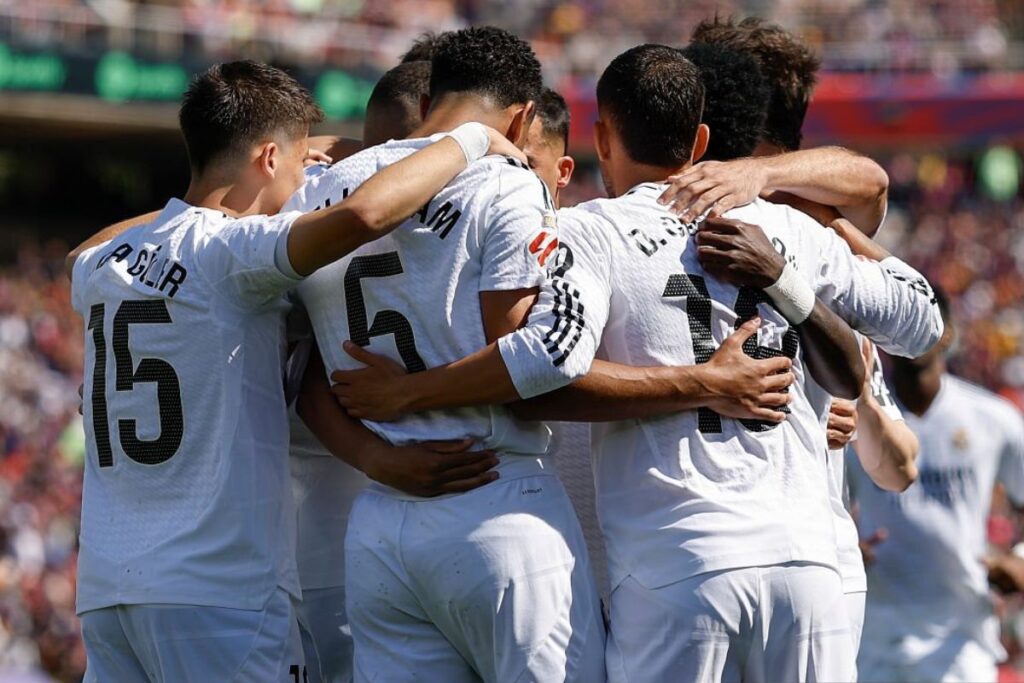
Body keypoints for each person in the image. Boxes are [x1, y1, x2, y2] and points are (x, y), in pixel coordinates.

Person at [329, 44, 943, 683]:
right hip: (809, 566)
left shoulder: (588, 231)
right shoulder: (786, 227)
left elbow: (543, 370)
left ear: (601, 137)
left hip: (675, 563)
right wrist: (834, 236)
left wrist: (411, 394)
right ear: (700, 139)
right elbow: (923, 320)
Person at [66, 59, 521, 682]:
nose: (310, 179)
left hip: (108, 592)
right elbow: (361, 217)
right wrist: (467, 139)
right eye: (303, 162)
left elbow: (82, 249)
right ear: (269, 158)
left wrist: (282, 156)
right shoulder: (232, 254)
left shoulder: (99, 266)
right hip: (220, 595)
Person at [290, 27, 610, 682]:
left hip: (380, 521)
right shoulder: (506, 182)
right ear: (523, 118)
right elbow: (539, 353)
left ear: (429, 94)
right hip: (495, 492)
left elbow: (298, 369)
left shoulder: (318, 196)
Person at [676, 36, 921, 659]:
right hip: (723, 550)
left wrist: (850, 401)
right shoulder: (666, 215)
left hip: (787, 547)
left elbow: (872, 182)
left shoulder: (811, 223)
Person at [850, 290, 1024, 683]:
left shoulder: (992, 418)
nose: (910, 333)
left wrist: (1019, 557)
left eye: (923, 321)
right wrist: (841, 546)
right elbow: (820, 503)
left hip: (959, 640)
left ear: (947, 334)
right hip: (875, 636)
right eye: (899, 322)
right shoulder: (855, 420)